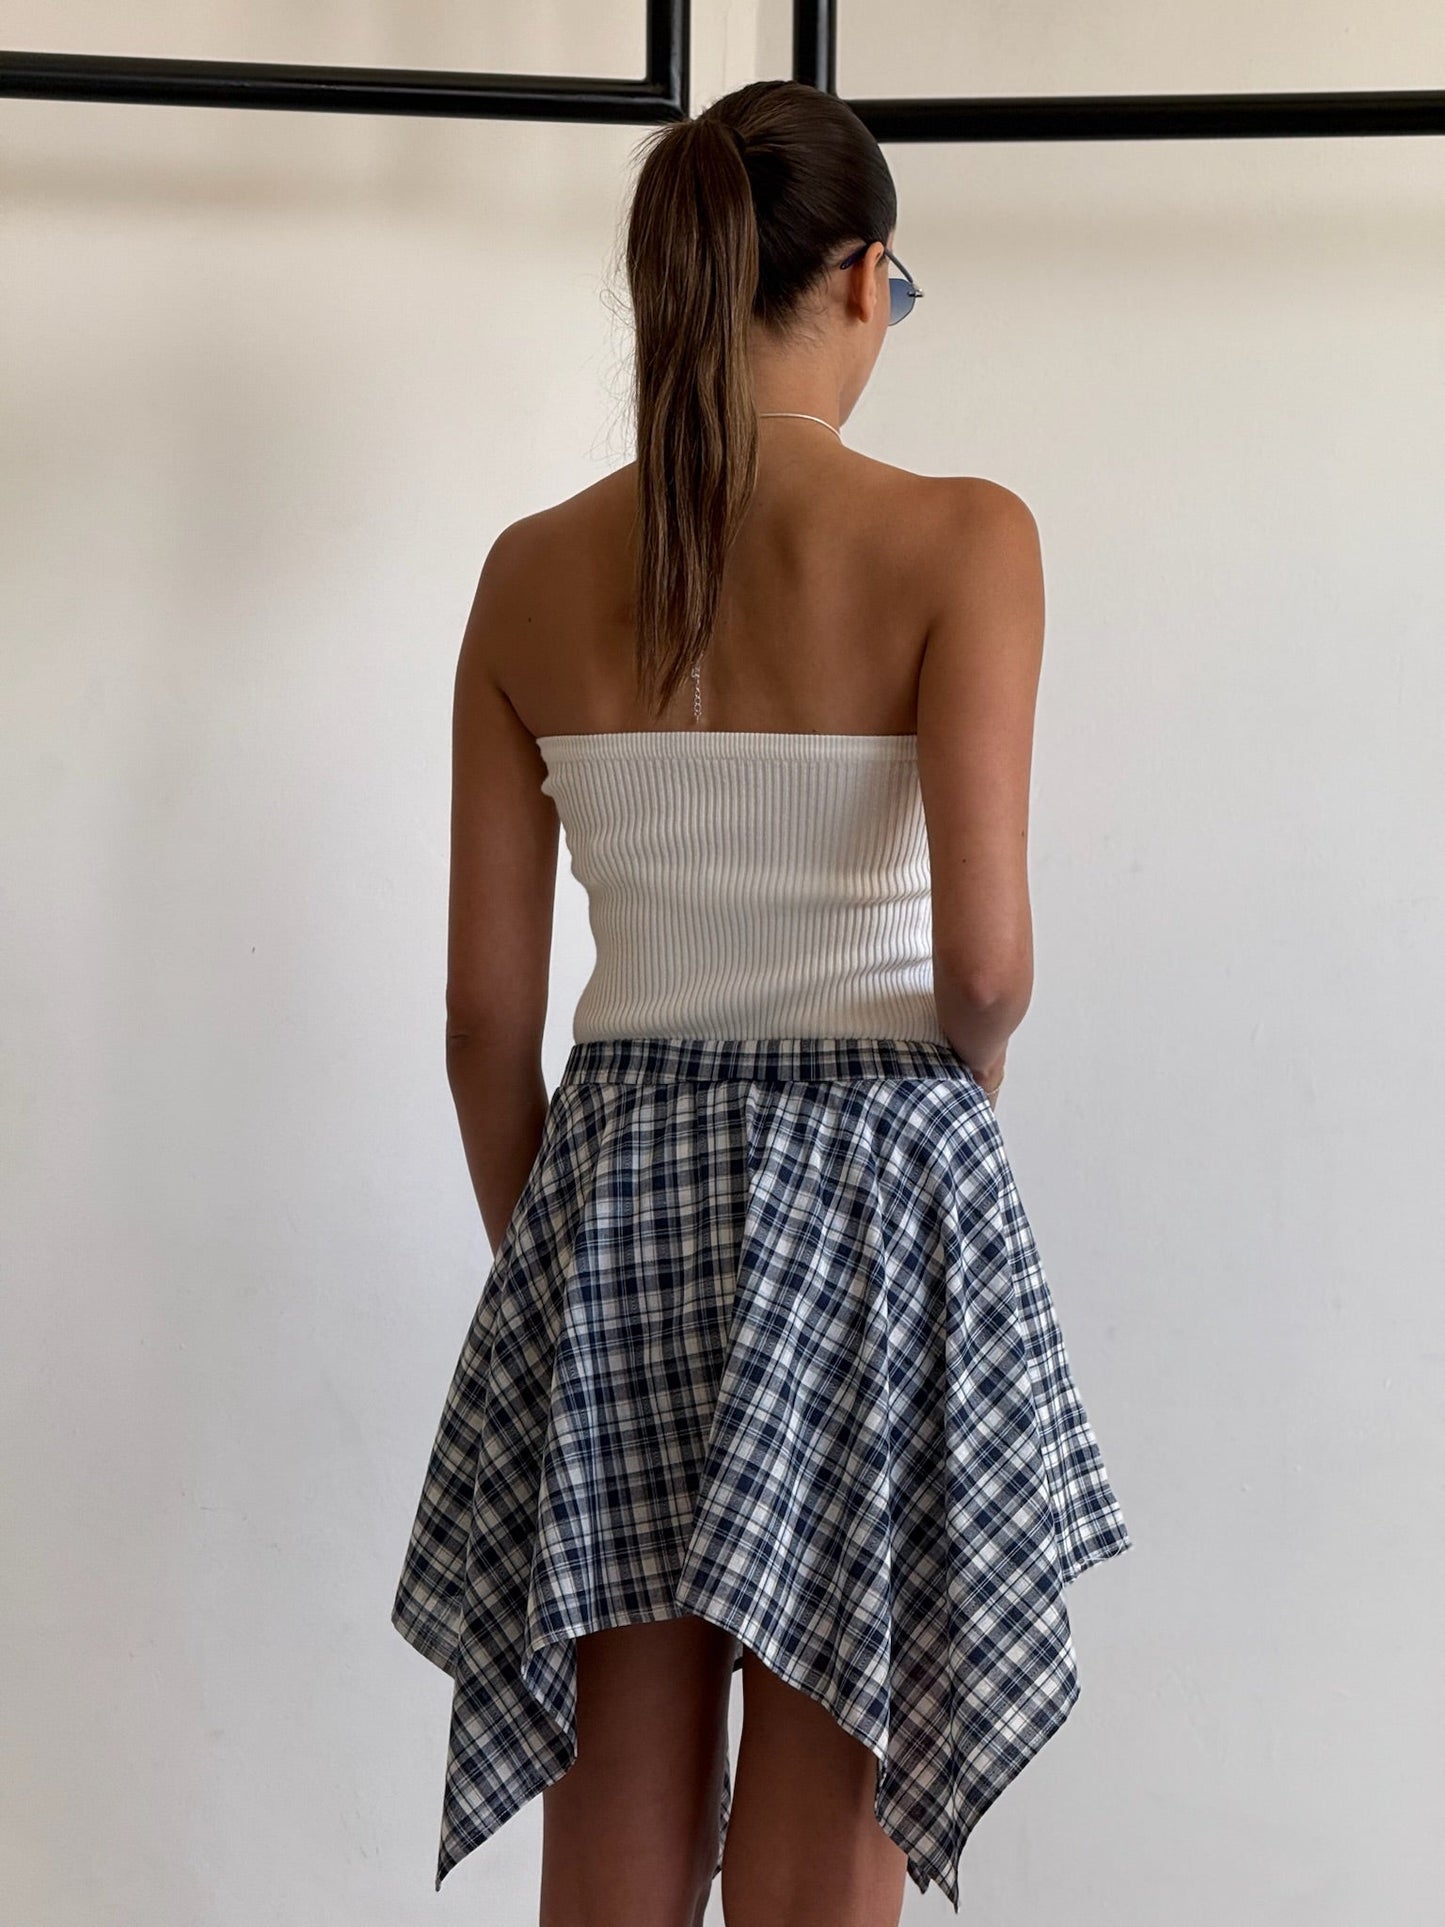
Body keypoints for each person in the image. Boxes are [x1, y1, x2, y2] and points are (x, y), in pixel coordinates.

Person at [391, 76, 1132, 1927]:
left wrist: (566, 1265)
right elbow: (984, 970)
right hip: (875, 1186)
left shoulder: (530, 571)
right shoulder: (964, 538)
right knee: (831, 1798)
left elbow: (483, 1024)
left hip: (614, 1184)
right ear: (864, 276)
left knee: (612, 1822)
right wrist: (942, 1125)